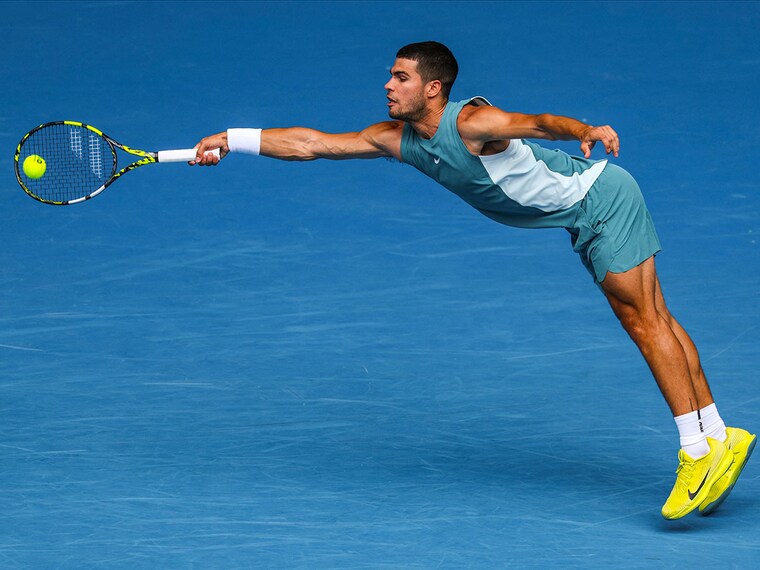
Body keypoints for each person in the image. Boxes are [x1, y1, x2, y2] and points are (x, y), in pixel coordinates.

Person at [191, 41, 755, 519]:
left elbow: (535, 123)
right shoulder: (396, 139)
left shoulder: (471, 123)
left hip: (601, 203)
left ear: (432, 89)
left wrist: (582, 129)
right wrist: (230, 138)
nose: (389, 85)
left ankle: (694, 451)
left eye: (401, 77)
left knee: (642, 320)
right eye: (391, 75)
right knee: (654, 315)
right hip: (586, 210)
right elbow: (311, 143)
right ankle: (716, 433)